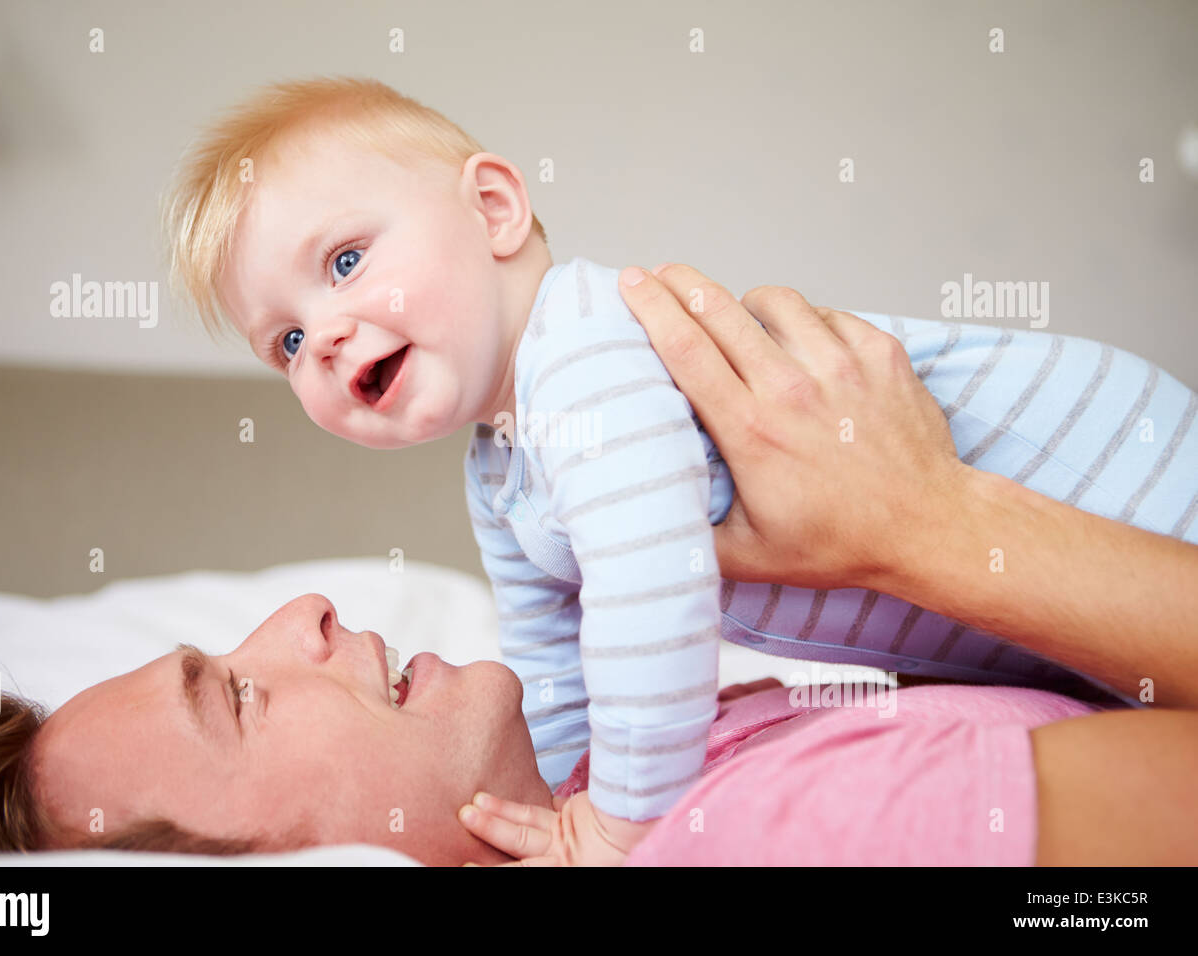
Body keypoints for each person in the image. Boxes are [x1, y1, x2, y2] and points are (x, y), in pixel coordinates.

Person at [163, 75, 1198, 857]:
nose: (328, 335)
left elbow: (650, 591)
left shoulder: (583, 347)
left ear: (492, 211)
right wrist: (563, 798)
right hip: (1083, 627)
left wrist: (622, 815)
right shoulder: (497, 468)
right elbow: (552, 660)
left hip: (1123, 482)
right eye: (287, 342)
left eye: (345, 263)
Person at [0, 270, 1197, 865]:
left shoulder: (642, 777)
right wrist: (925, 522)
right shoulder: (740, 840)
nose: (300, 612)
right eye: (232, 697)